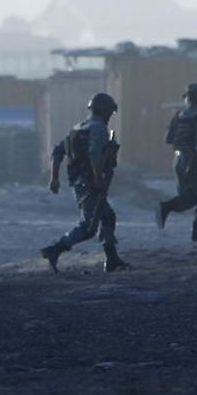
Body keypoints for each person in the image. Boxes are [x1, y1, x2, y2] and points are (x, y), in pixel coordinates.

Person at [41, 93, 129, 273]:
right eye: (110, 113)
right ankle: (55, 250)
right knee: (88, 227)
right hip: (90, 184)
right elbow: (94, 154)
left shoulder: (77, 128)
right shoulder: (98, 129)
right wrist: (98, 176)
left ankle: (111, 258)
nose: (110, 117)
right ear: (105, 112)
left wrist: (54, 178)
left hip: (79, 182)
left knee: (107, 216)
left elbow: (57, 152)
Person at [156, 83, 197, 241]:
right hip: (194, 161)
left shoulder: (178, 116)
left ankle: (167, 207)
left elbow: (168, 139)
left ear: (186, 98)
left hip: (177, 160)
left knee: (189, 197)